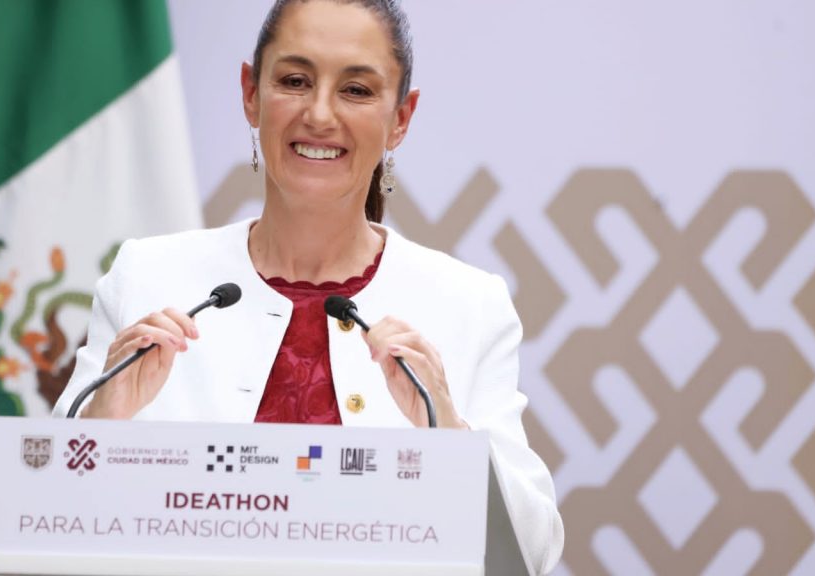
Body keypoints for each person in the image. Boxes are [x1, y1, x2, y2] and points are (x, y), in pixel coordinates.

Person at [53, 0, 563, 571]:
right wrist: (102, 424)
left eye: (356, 90)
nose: (319, 115)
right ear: (251, 93)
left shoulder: (469, 304)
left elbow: (533, 552)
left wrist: (450, 435)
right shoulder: (148, 277)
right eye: (295, 81)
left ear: (401, 118)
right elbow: (43, 520)